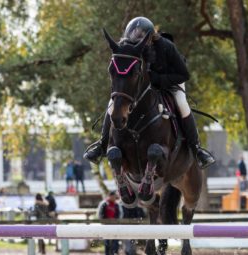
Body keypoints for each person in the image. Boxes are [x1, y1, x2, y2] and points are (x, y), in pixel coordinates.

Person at [84, 17, 215, 169]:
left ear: (150, 37)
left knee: (182, 103)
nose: (136, 40)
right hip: (145, 85)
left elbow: (183, 75)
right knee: (113, 103)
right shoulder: (128, 47)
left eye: (140, 37)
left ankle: (197, 149)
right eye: (133, 36)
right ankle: (101, 145)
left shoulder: (166, 46)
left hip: (171, 79)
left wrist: (157, 79)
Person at [97, 191, 123, 255]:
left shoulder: (116, 204)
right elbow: (100, 214)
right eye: (114, 196)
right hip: (106, 225)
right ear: (110, 196)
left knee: (116, 242)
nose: (115, 198)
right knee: (107, 242)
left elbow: (120, 214)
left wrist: (118, 222)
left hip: (115, 225)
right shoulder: (104, 204)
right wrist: (103, 222)